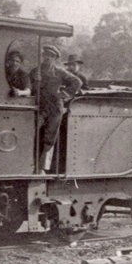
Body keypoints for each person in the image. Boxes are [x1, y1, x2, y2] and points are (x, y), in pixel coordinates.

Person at [30, 44, 83, 173]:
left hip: (55, 108)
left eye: (51, 56)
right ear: (42, 56)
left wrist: (64, 95)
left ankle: (42, 168)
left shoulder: (60, 72)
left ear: (55, 59)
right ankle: (30, 164)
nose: (48, 58)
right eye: (46, 55)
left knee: (49, 138)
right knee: (31, 133)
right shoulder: (35, 71)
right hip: (40, 107)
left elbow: (77, 82)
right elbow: (29, 87)